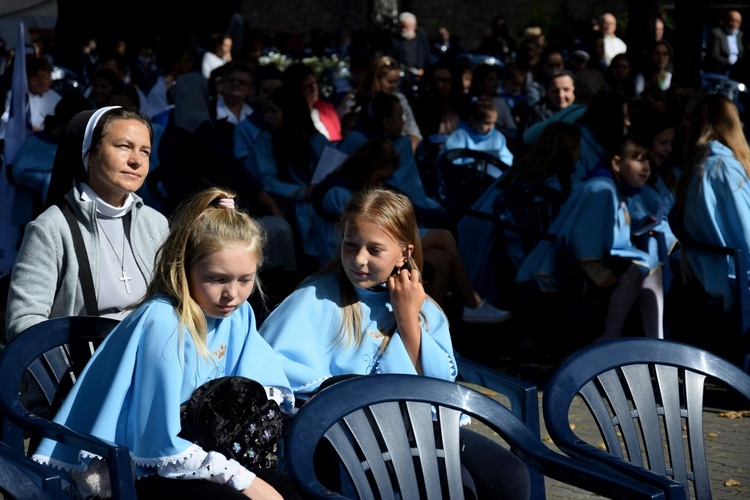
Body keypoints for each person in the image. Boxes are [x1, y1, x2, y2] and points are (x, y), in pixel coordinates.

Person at [260, 186, 530, 499]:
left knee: (511, 475)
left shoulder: (423, 307)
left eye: (374, 250)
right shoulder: (313, 298)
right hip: (348, 437)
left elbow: (439, 388)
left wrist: (407, 319)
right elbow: (270, 366)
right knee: (454, 484)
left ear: (405, 253)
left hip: (422, 428)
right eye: (350, 245)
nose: (359, 260)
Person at [32, 187, 296, 499]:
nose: (232, 295)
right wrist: (242, 479)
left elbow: (262, 386)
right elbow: (159, 444)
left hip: (205, 453)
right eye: (217, 279)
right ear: (185, 267)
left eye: (245, 279)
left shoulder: (239, 316)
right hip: (139, 467)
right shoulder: (165, 322)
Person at [6, 106, 169, 339]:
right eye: (124, 146)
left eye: (145, 151)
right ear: (90, 155)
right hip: (82, 366)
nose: (136, 161)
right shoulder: (51, 230)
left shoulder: (156, 224)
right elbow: (24, 322)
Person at [310, 137, 511, 322]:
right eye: (379, 177)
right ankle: (472, 302)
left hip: (378, 241)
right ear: (368, 168)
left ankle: (427, 319)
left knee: (444, 260)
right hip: (350, 249)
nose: (380, 184)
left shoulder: (354, 188)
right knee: (445, 237)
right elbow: (369, 227)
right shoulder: (338, 192)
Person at [517, 137, 664, 342]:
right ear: (615, 163)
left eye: (648, 162)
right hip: (571, 262)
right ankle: (611, 336)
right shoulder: (601, 188)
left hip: (586, 257)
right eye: (639, 160)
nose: (646, 168)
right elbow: (585, 231)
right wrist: (594, 268)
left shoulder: (613, 186)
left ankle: (655, 339)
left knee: (649, 266)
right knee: (640, 268)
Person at [458, 122, 580, 306]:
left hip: (496, 251)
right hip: (521, 258)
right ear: (570, 150)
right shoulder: (551, 186)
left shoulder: (522, 171)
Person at [672, 93, 750, 312]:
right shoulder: (722, 167)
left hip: (708, 268)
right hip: (728, 275)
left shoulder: (701, 163)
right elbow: (745, 232)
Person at [246, 85, 330, 272]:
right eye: (267, 111)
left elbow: (331, 169)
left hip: (317, 206)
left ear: (291, 112)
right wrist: (302, 192)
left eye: (274, 111)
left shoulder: (316, 140)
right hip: (281, 207)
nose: (268, 116)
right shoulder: (267, 140)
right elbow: (265, 180)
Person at [8, 93, 93, 229]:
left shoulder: (78, 147)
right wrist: (46, 178)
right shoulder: (36, 142)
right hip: (35, 220)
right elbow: (18, 172)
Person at [336, 55, 423, 152]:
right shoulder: (355, 100)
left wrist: (405, 153)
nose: (394, 86)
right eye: (390, 82)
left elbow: (413, 132)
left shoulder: (399, 99)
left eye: (396, 82)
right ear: (376, 79)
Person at [440, 98, 514, 176]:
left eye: (493, 123)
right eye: (486, 123)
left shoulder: (498, 138)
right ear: (472, 120)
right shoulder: (459, 136)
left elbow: (507, 161)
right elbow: (448, 161)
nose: (491, 127)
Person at [1, 56, 62, 140]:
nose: (50, 81)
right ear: (34, 80)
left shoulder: (54, 96)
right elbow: (7, 119)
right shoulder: (13, 95)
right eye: (47, 78)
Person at [283, 62, 342, 143]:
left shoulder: (328, 109)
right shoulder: (289, 117)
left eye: (314, 83)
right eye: (307, 86)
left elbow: (338, 138)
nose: (313, 89)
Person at [704, 9, 745, 78]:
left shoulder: (740, 34)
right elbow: (714, 55)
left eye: (737, 21)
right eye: (732, 20)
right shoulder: (716, 33)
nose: (734, 23)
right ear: (726, 20)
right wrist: (730, 63)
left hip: (738, 67)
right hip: (722, 68)